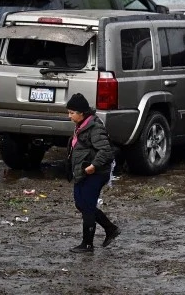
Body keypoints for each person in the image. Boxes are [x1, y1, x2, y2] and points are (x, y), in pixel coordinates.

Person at [66, 93, 119, 253]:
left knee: (88, 206)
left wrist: (93, 166)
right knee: (80, 204)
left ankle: (87, 244)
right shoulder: (81, 126)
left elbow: (105, 151)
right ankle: (110, 229)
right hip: (82, 172)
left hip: (95, 173)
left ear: (82, 113)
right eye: (68, 112)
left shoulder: (94, 127)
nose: (69, 116)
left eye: (72, 113)